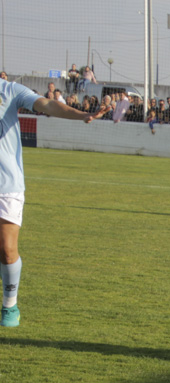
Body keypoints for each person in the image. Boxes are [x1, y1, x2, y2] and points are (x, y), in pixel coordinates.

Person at [1, 79, 107, 327]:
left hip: (6, 183)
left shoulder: (8, 89)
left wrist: (83, 115)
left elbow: (47, 104)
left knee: (7, 249)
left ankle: (9, 304)